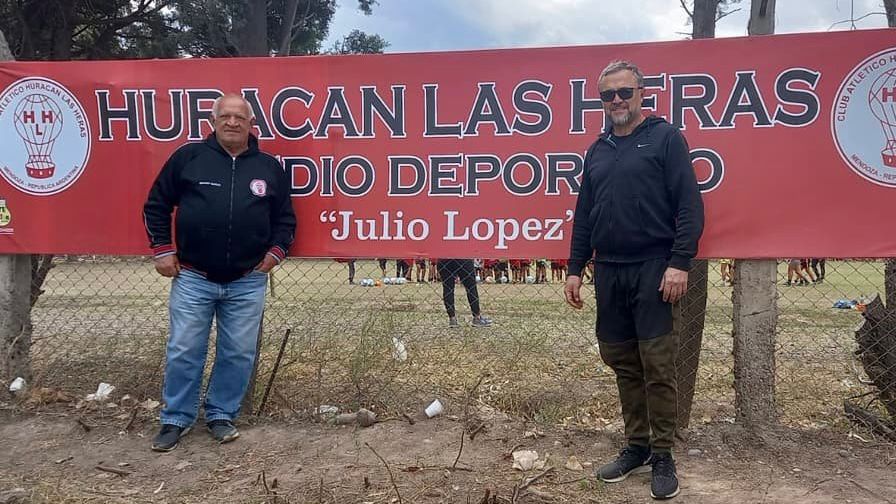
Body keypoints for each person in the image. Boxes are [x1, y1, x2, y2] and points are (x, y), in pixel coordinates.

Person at [564, 61, 704, 500]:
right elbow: (584, 213)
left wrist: (679, 262)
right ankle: (637, 446)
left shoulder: (665, 138)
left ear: (642, 93)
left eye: (624, 92)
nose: (617, 101)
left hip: (655, 270)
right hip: (608, 271)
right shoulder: (598, 150)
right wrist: (573, 267)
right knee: (621, 360)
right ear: (601, 101)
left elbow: (689, 206)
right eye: (608, 95)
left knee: (658, 365)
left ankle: (663, 454)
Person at [143, 94, 296, 452]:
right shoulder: (188, 158)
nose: (232, 122)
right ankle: (175, 419)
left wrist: (275, 254)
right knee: (184, 349)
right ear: (213, 122)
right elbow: (156, 205)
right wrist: (162, 250)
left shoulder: (268, 167)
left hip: (247, 280)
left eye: (239, 117)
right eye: (225, 116)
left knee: (239, 352)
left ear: (251, 124)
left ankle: (221, 415)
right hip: (194, 277)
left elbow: (286, 219)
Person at [437, 258, 493, 328]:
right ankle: (476, 317)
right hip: (463, 256)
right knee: (471, 287)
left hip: (444, 257)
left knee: (448, 288)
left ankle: (452, 318)